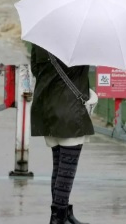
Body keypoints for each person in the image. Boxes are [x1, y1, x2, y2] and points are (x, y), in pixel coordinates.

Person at [30, 43, 95, 224]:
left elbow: (36, 69)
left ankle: (63, 214)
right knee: (66, 171)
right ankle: (58, 219)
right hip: (69, 111)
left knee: (59, 167)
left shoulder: (40, 41)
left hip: (46, 110)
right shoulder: (80, 43)